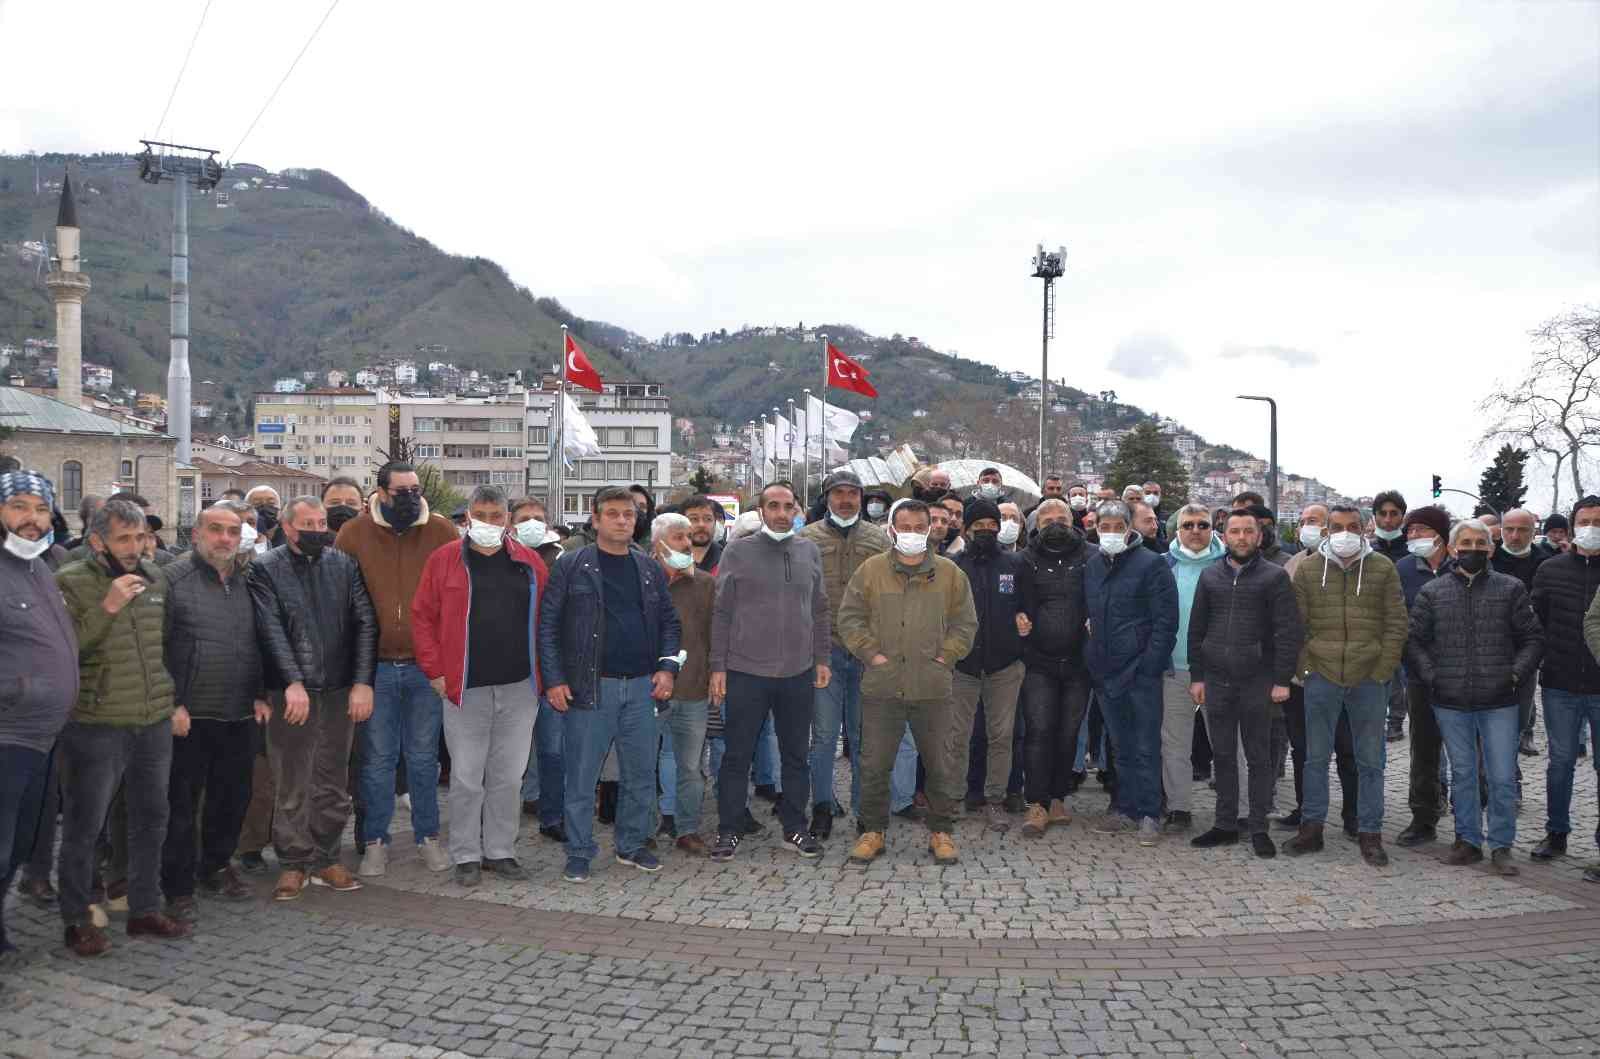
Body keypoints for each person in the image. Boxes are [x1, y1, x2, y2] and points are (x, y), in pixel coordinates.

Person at [54, 497, 188, 956]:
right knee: (85, 826)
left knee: (152, 818)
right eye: (123, 538)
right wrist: (108, 607)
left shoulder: (156, 579)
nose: (135, 547)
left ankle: (144, 908)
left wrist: (172, 700)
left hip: (152, 720)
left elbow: (164, 645)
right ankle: (76, 918)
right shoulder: (70, 582)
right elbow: (64, 651)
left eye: (141, 537)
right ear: (97, 541)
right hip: (96, 724)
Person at [538, 487, 681, 883]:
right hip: (589, 688)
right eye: (613, 513)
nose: (622, 520)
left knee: (639, 774)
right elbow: (548, 626)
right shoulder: (571, 565)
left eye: (629, 514)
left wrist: (668, 669)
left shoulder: (649, 568)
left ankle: (632, 844)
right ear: (596, 519)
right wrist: (554, 679)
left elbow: (670, 623)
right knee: (582, 777)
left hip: (641, 688)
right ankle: (580, 851)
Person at [412, 485, 547, 887]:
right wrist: (435, 671)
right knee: (468, 776)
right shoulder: (443, 560)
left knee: (508, 776)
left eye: (496, 516)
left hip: (520, 686)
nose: (488, 523)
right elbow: (422, 617)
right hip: (463, 686)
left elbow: (547, 621)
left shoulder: (530, 562)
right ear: (467, 516)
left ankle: (501, 851)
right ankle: (467, 854)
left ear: (508, 519)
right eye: (481, 514)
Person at [248, 497, 378, 901]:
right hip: (291, 693)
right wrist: (291, 681)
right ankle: (293, 862)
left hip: (340, 690)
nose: (319, 529)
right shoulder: (265, 568)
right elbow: (269, 629)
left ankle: (326, 857)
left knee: (333, 780)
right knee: (291, 780)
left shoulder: (343, 564)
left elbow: (365, 623)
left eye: (322, 522)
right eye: (309, 523)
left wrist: (362, 682)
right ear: (288, 528)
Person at [334, 460, 458, 877]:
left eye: (415, 490)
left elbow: (455, 598)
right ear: (381, 492)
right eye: (401, 491)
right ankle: (375, 842)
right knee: (377, 761)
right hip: (376, 668)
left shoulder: (442, 531)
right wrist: (353, 673)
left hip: (427, 668)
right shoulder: (353, 534)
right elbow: (341, 603)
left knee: (424, 760)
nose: (410, 498)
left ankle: (428, 838)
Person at [838, 499, 976, 865]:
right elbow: (850, 619)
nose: (912, 533)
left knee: (940, 763)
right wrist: (872, 655)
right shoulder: (871, 571)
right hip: (882, 686)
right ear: (892, 529)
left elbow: (965, 624)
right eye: (906, 526)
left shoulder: (949, 574)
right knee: (874, 762)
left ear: (930, 529)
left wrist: (947, 656)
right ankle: (872, 830)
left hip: (932, 687)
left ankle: (941, 831)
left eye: (920, 526)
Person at [1406, 518, 1542, 876]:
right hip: (1450, 700)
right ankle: (1467, 840)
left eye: (1480, 544)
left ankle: (1501, 845)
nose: (1473, 549)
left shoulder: (1510, 588)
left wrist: (1513, 675)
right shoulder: (1432, 593)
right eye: (1465, 543)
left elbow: (1533, 639)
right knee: (1463, 773)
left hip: (1499, 700)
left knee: (1500, 777)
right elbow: (1415, 641)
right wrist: (1433, 677)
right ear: (1452, 548)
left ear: (1491, 549)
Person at [708, 481, 829, 861]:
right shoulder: (738, 552)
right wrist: (718, 667)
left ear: (797, 510)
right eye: (773, 506)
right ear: (761, 511)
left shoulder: (809, 551)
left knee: (796, 755)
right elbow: (722, 611)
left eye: (787, 506)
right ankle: (729, 829)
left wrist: (822, 658)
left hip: (798, 671)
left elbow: (821, 609)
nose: (780, 513)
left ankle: (795, 828)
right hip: (746, 671)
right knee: (737, 755)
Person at [159, 504, 266, 916]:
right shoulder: (173, 580)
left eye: (232, 531)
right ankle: (178, 882)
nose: (224, 538)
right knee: (181, 804)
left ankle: (216, 866)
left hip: (239, 712)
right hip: (190, 714)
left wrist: (259, 694)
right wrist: (172, 702)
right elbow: (156, 645)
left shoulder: (249, 581)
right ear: (197, 534)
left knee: (232, 798)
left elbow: (260, 641)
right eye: (216, 530)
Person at [1285, 504, 1407, 866]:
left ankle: (1370, 832)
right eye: (1337, 526)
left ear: (1364, 529)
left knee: (1370, 761)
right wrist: (1306, 668)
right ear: (1326, 531)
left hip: (1369, 678)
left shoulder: (1383, 568)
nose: (1345, 533)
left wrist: (1382, 670)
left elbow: (1396, 624)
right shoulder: (1307, 570)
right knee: (1314, 758)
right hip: (1321, 676)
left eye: (1352, 526)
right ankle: (1312, 828)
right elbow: (1297, 627)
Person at [1186, 511, 1302, 857]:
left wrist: (1281, 680)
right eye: (1234, 531)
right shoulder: (1210, 576)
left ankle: (1258, 827)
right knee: (1222, 755)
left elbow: (1287, 632)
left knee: (1258, 757)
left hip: (1258, 680)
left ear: (1259, 536)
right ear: (1225, 535)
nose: (1240, 537)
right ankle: (1225, 824)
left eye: (1247, 531)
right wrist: (1197, 676)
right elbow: (1196, 630)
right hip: (1217, 680)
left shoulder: (1275, 577)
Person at [0, 471, 79, 955]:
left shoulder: (41, 567)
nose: (31, 520)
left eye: (41, 509)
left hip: (43, 733)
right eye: (19, 507)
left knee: (21, 839)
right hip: (9, 730)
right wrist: (18, 689)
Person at [800, 471, 889, 838]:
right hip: (824, 651)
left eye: (853, 493)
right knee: (823, 736)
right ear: (827, 497)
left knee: (864, 736)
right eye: (839, 493)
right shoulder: (806, 539)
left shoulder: (878, 538)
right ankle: (821, 805)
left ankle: (863, 808)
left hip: (867, 653)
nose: (847, 499)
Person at [1084, 500, 1179, 845]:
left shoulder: (1152, 564)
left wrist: (1149, 665)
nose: (1109, 533)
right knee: (1119, 745)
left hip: (1141, 672)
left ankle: (1151, 813)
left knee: (1145, 745)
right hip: (1106, 672)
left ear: (1129, 529)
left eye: (1116, 527)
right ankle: (1125, 807)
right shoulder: (1093, 565)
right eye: (1103, 527)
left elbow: (1166, 622)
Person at [949, 496, 1033, 833]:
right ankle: (954, 797)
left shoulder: (1015, 565)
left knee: (1002, 735)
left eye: (991, 526)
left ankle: (995, 798)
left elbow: (1029, 606)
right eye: (978, 526)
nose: (986, 531)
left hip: (1005, 666)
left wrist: (1025, 619)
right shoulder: (953, 566)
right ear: (967, 529)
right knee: (957, 736)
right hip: (962, 666)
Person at [1529, 496, 1600, 866]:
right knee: (1560, 762)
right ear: (1573, 526)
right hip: (1560, 683)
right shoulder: (1550, 569)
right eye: (1584, 521)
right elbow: (1534, 623)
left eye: (1598, 522)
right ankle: (1556, 833)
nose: (1591, 528)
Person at [1017, 499, 1091, 837]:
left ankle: (1058, 797)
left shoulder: (1091, 556)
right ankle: (1036, 802)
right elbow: (1013, 603)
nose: (1056, 523)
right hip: (1039, 662)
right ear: (1035, 524)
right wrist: (1015, 619)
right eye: (1047, 519)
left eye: (1062, 517)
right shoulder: (1024, 559)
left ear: (1073, 521)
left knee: (1068, 734)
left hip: (1079, 663)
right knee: (1039, 731)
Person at [644, 513, 716, 854]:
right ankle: (642, 828)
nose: (687, 543)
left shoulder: (703, 584)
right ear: (658, 544)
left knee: (690, 767)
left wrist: (715, 675)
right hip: (648, 691)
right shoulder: (640, 579)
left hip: (692, 691)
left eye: (688, 536)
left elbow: (714, 636)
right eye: (678, 537)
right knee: (642, 763)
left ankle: (686, 829)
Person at [1392, 505, 1454, 847]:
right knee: (1424, 749)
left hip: (1461, 675)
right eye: (1410, 530)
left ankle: (1468, 817)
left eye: (1421, 530)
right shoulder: (1402, 569)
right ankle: (1423, 817)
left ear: (1441, 536)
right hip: (1418, 674)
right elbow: (1400, 621)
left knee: (1465, 751)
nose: (1413, 535)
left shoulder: (1460, 566)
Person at [1161, 503, 1224, 833]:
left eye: (1202, 524)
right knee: (1175, 745)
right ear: (1177, 530)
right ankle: (1179, 808)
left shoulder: (1229, 563)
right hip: (1175, 669)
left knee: (1227, 746)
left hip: (1221, 671)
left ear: (1212, 528)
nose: (1196, 530)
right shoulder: (1163, 565)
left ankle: (1233, 811)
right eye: (1189, 525)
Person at [1494, 508, 1556, 757]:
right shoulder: (1489, 559)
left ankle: (1524, 735)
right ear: (1501, 531)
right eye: (1509, 529)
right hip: (1493, 646)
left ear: (1533, 532)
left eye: (1522, 530)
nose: (1515, 535)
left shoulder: (1546, 563)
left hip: (1528, 648)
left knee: (1522, 707)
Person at [681, 494, 726, 574]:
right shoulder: (669, 561)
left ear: (715, 523)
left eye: (708, 519)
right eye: (694, 519)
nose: (701, 525)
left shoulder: (727, 560)